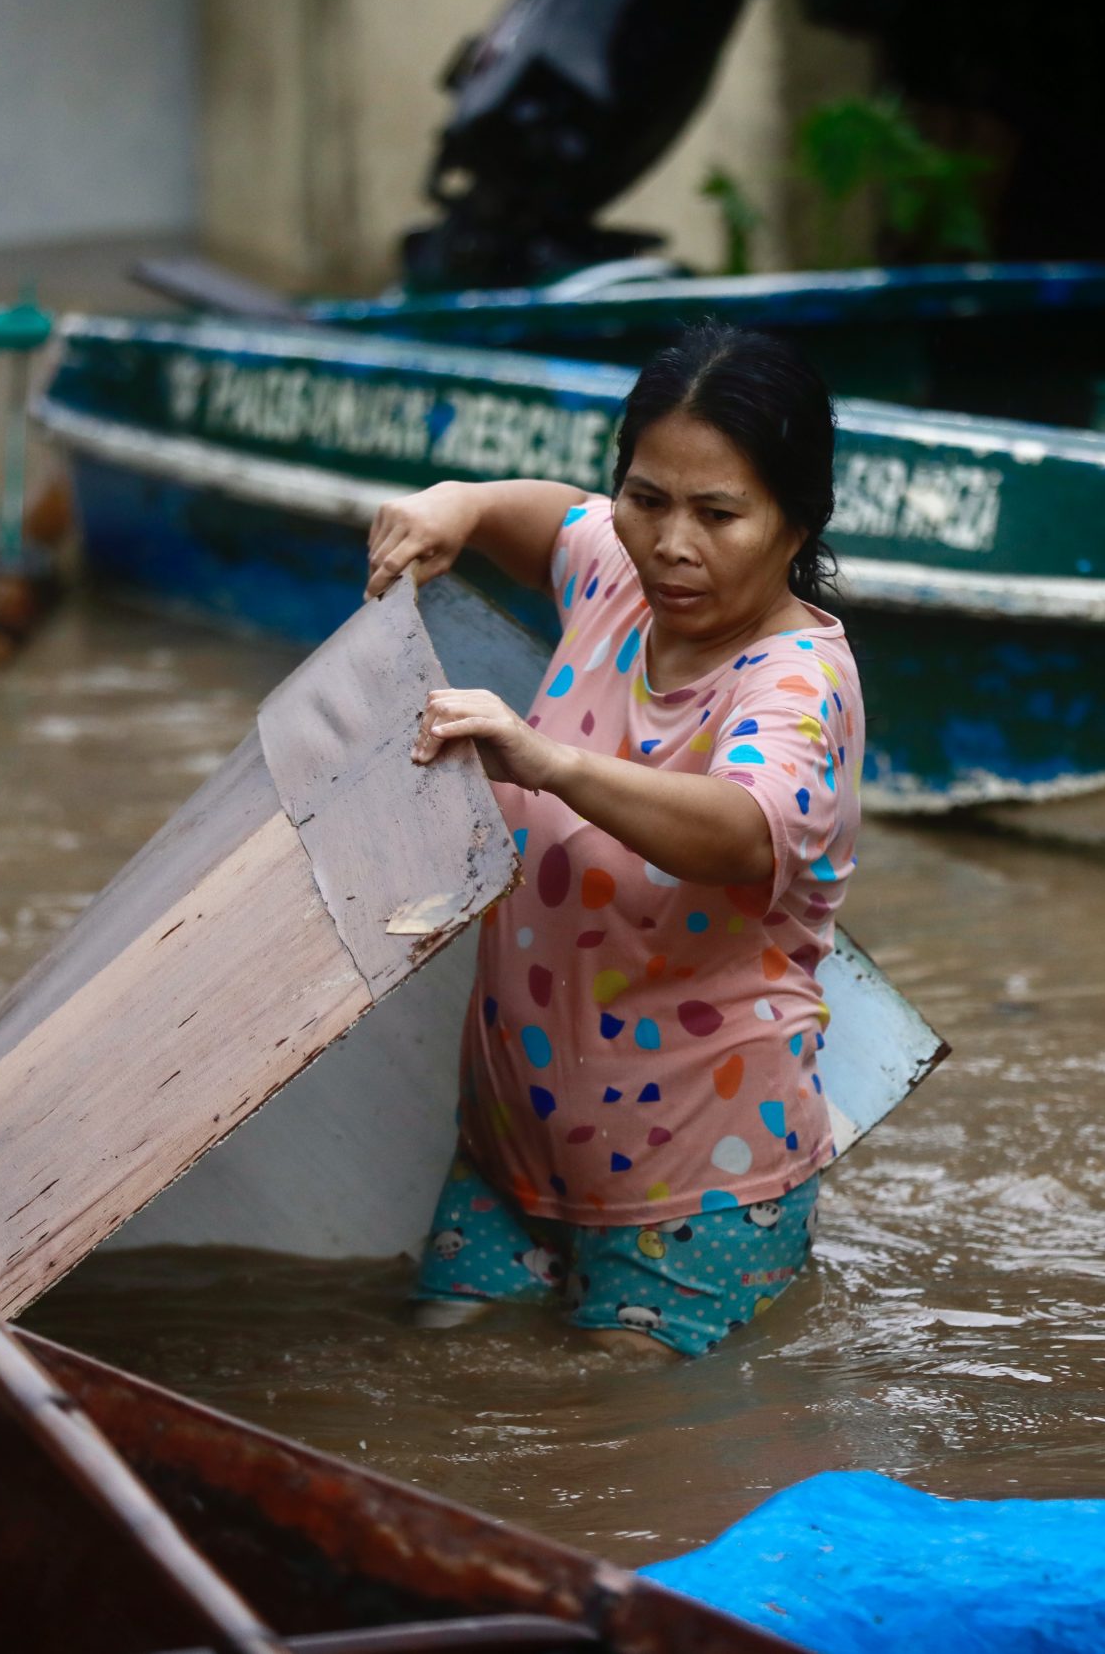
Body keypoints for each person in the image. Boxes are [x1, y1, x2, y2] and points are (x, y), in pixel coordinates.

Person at [366, 320, 863, 1359]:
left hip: (700, 1182)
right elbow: (555, 521)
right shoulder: (616, 578)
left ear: (797, 520)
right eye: (647, 498)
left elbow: (742, 830)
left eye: (718, 514)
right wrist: (457, 505)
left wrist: (548, 762)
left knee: (628, 1432)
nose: (672, 543)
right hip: (514, 1149)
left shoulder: (798, 683)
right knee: (438, 1380)